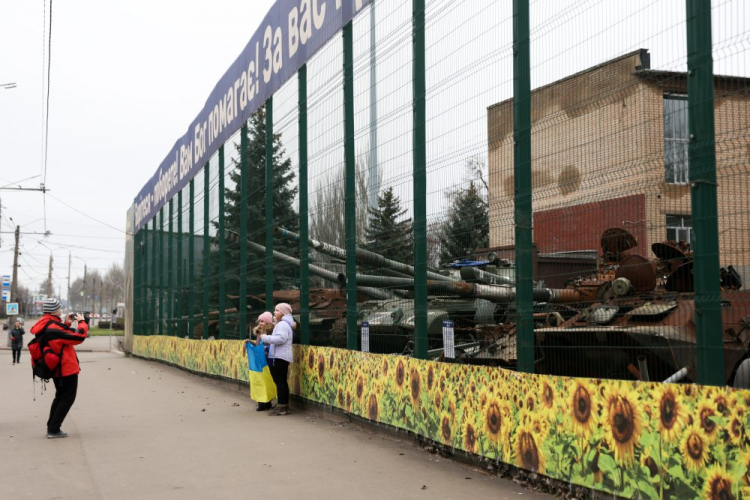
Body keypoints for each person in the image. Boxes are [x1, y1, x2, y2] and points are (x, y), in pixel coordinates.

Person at [29, 298, 89, 439]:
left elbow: (59, 337)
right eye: (59, 308)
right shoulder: (53, 328)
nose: (61, 311)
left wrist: (67, 323)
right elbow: (79, 337)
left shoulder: (45, 323)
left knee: (60, 397)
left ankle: (52, 426)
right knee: (67, 398)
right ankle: (54, 429)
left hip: (56, 367)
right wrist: (82, 322)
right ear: (55, 310)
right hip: (65, 368)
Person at [257, 303, 294, 416]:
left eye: (277, 310)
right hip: (281, 355)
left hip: (280, 356)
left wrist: (265, 337)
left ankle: (282, 407)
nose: (274, 313)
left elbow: (281, 339)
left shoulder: (282, 324)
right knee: (281, 381)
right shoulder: (283, 323)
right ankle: (283, 406)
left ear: (283, 312)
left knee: (280, 382)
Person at [245, 311, 275, 411]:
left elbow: (272, 344)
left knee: (267, 380)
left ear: (267, 322)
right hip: (260, 360)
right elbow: (258, 345)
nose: (260, 323)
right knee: (259, 380)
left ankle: (268, 402)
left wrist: (265, 349)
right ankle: (261, 402)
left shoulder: (272, 332)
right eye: (260, 321)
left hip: (268, 359)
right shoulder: (259, 332)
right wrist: (250, 342)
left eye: (262, 321)